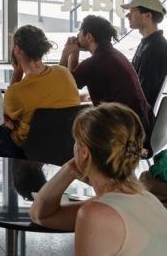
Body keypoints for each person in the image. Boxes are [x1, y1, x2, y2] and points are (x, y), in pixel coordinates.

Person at [30, 103, 167, 255]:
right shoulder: (143, 197)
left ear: (84, 152)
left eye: (76, 141)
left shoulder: (97, 215)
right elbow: (41, 215)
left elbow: (40, 215)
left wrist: (70, 168)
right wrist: (68, 170)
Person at [61, 15, 154, 134]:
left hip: (124, 130)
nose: (77, 36)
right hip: (138, 124)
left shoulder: (96, 61)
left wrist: (65, 54)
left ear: (89, 37)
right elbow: (73, 81)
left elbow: (66, 86)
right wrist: (74, 54)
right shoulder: (113, 54)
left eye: (80, 32)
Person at [0, 25, 80, 158]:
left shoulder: (15, 92)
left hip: (29, 149)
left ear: (17, 50)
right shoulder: (64, 72)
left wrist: (17, 74)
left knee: (2, 129)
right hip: (65, 145)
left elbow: (3, 116)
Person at [122, 0, 167, 110]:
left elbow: (145, 92)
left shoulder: (157, 47)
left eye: (132, 11)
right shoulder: (147, 43)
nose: (127, 15)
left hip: (137, 114)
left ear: (148, 16)